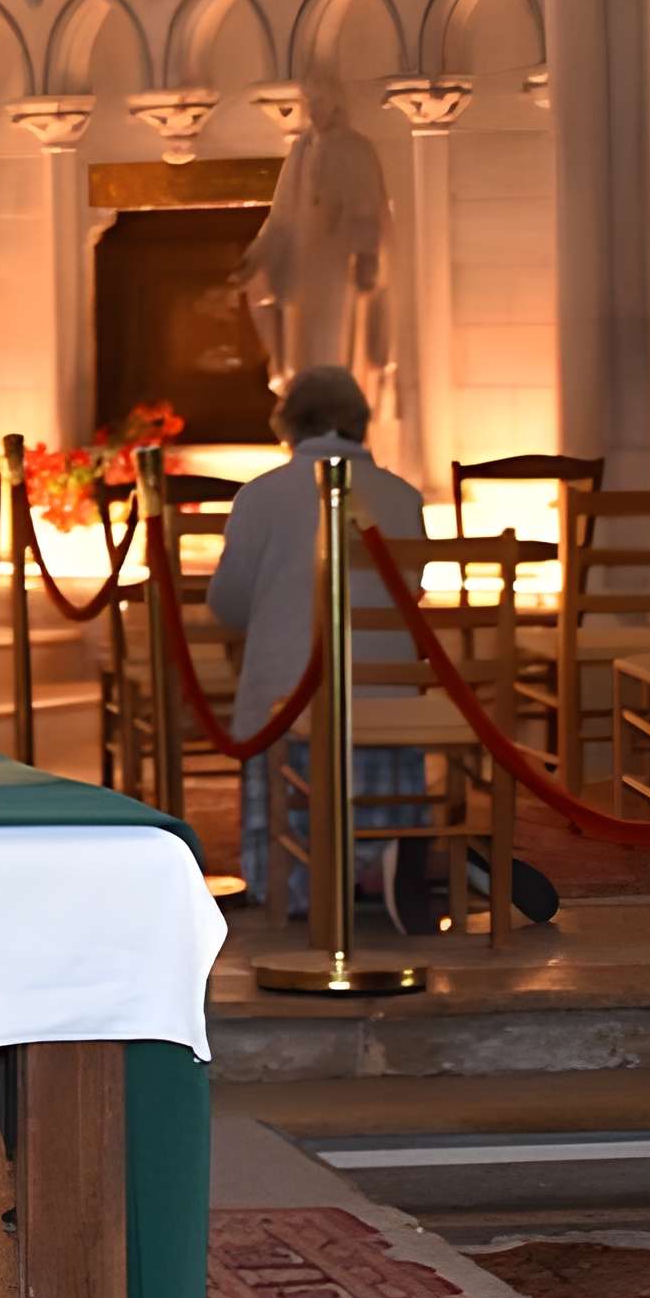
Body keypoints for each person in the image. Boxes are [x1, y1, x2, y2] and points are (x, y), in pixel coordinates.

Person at [207, 366, 427, 922]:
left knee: (282, 684)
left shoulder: (261, 496)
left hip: (291, 700)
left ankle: (294, 881)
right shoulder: (403, 497)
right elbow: (413, 593)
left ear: (289, 425)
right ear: (360, 424)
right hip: (387, 702)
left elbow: (228, 605)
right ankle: (382, 862)